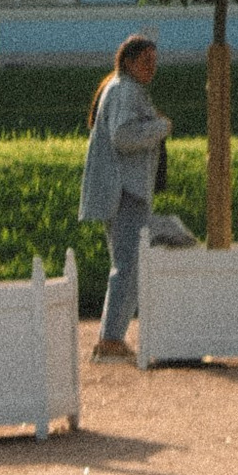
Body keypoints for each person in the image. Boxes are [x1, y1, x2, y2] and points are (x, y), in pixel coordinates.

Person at [80, 33, 171, 360]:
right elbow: (122, 136)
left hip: (125, 189)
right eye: (146, 61)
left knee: (130, 264)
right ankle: (110, 341)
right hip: (125, 190)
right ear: (129, 61)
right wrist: (159, 127)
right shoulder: (124, 91)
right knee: (128, 265)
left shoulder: (123, 89)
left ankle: (116, 337)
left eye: (154, 62)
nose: (152, 68)